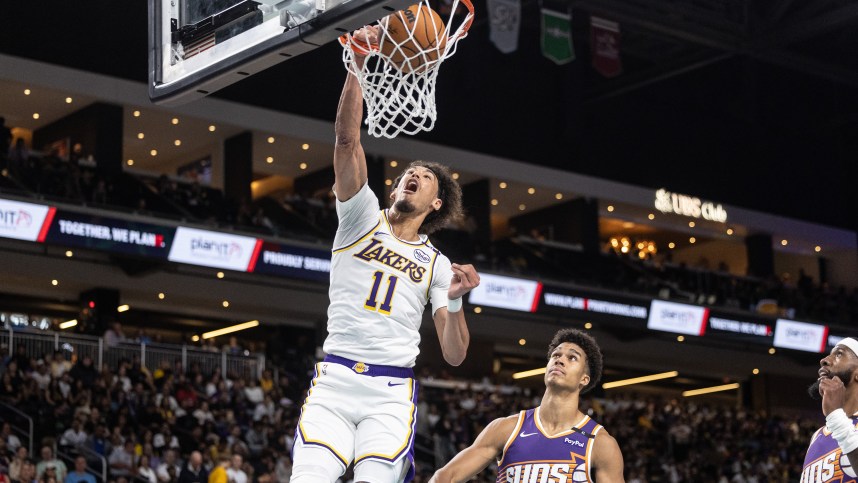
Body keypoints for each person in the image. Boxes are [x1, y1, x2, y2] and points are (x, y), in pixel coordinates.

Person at [289, 37, 481, 483]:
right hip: (334, 380)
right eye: (410, 172)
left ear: (436, 204)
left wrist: (454, 303)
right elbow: (345, 139)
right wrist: (357, 62)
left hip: (390, 391)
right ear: (394, 188)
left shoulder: (437, 265)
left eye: (427, 176)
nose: (414, 174)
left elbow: (454, 356)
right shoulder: (360, 216)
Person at [429, 329, 625, 482]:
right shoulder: (507, 428)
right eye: (556, 355)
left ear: (584, 379)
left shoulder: (600, 444)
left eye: (571, 357)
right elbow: (445, 477)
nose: (560, 360)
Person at [803, 337, 858, 482]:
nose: (824, 360)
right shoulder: (817, 435)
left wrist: (835, 416)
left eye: (839, 354)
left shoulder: (837, 422)